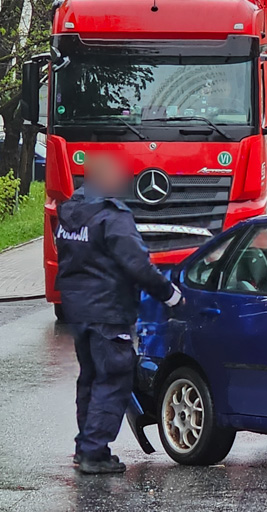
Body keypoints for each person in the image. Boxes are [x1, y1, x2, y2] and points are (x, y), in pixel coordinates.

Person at [55, 152, 183, 474]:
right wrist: (171, 296)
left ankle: (85, 446)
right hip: (108, 312)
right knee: (113, 379)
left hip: (78, 311)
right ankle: (93, 453)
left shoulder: (72, 211)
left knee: (90, 379)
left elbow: (71, 259)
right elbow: (138, 265)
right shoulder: (112, 217)